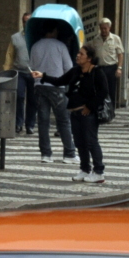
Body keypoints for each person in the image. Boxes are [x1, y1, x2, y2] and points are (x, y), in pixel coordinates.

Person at [50, 41, 109, 183]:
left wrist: (90, 106)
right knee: (79, 142)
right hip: (75, 113)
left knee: (91, 142)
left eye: (81, 54)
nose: (78, 56)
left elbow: (103, 92)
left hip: (88, 113)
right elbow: (60, 81)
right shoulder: (76, 71)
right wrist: (42, 76)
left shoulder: (97, 72)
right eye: (78, 53)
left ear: (89, 58)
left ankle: (99, 172)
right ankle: (84, 169)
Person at [30, 25, 78, 162]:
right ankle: (69, 153)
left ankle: (46, 154)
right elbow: (69, 67)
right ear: (53, 30)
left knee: (43, 122)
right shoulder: (60, 46)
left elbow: (32, 66)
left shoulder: (35, 46)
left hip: (39, 86)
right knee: (63, 121)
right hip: (57, 87)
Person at [4, 13, 36, 134]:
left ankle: (30, 125)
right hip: (20, 72)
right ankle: (18, 123)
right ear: (22, 23)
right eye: (24, 21)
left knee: (33, 100)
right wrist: (7, 71)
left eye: (29, 21)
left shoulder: (37, 36)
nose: (26, 23)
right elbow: (10, 55)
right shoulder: (15, 38)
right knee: (19, 97)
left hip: (34, 72)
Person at [95, 18, 125, 109]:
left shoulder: (116, 39)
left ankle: (111, 110)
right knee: (100, 90)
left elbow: (120, 54)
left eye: (105, 28)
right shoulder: (96, 39)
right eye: (102, 28)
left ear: (109, 28)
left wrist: (119, 68)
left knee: (111, 90)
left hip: (111, 68)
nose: (103, 30)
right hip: (99, 68)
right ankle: (101, 109)